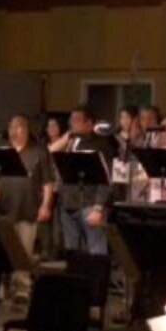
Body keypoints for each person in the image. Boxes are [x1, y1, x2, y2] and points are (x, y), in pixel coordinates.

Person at [0, 115, 55, 303]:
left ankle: (22, 288)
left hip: (28, 208)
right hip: (3, 209)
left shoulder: (38, 152)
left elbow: (47, 183)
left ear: (27, 130)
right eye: (13, 127)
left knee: (24, 251)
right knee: (1, 250)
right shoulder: (2, 151)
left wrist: (46, 205)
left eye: (21, 127)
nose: (17, 130)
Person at [55, 107, 118, 256]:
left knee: (96, 250)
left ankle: (98, 277)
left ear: (89, 123)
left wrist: (98, 207)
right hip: (68, 202)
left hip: (89, 203)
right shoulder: (71, 141)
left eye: (76, 120)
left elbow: (106, 178)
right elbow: (50, 153)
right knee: (72, 252)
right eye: (71, 120)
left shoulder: (101, 145)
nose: (72, 124)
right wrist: (66, 138)